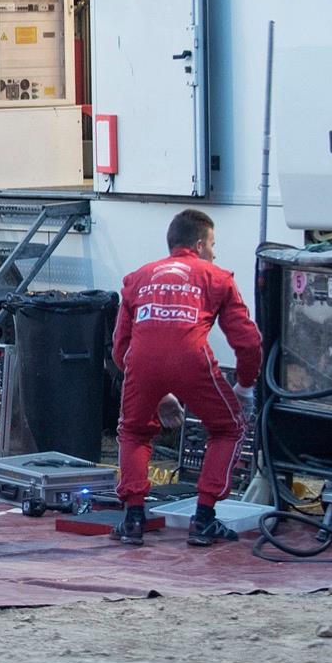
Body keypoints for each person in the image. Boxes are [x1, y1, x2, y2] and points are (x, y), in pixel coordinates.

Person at [111, 209, 263, 547]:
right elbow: (249, 342)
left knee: (133, 432)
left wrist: (159, 393)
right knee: (229, 428)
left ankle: (133, 519)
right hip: (193, 358)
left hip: (142, 362)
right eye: (213, 245)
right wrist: (245, 385)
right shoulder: (218, 277)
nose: (215, 253)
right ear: (199, 245)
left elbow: (120, 348)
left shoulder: (137, 278)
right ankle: (204, 518)